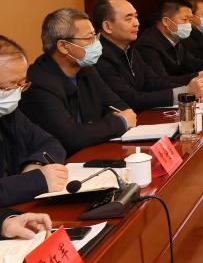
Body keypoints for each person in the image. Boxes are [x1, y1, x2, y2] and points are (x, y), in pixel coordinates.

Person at [20, 9, 137, 155]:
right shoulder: (39, 83)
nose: (96, 43)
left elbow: (121, 108)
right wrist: (120, 123)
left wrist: (95, 129)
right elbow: (71, 138)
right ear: (63, 46)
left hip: (92, 152)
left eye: (95, 36)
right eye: (89, 38)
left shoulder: (87, 70)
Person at [92, 0, 203, 111]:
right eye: (128, 18)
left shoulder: (130, 49)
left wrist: (190, 89)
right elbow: (131, 99)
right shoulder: (99, 57)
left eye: (136, 17)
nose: (136, 23)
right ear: (107, 26)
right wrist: (185, 92)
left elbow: (153, 81)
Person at [0, 36, 69, 205]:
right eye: (9, 86)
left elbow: (51, 143)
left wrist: (36, 164)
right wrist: (36, 181)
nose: (16, 93)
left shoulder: (10, 113)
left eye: (22, 84)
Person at [136, 0, 203, 81]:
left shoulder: (174, 37)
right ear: (166, 21)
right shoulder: (148, 44)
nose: (188, 24)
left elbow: (193, 63)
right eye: (184, 19)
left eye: (190, 20)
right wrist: (201, 75)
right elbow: (161, 81)